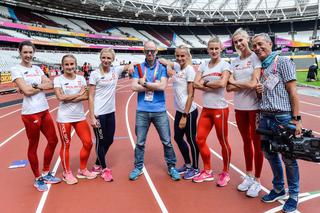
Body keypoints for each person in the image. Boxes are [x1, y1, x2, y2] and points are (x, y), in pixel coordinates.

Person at [253, 33, 302, 213]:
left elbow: (293, 92)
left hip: (283, 117)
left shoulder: (283, 62)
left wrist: (296, 120)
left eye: (260, 44)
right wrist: (259, 92)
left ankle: (294, 195)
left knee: (288, 158)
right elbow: (266, 95)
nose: (257, 48)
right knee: (269, 154)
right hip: (265, 117)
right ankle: (279, 188)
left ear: (269, 43)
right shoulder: (261, 68)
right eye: (254, 46)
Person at [11, 41, 61, 192]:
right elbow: (25, 91)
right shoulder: (16, 69)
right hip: (30, 112)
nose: (28, 55)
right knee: (34, 145)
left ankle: (46, 172)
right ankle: (38, 178)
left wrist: (34, 86)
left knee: (53, 140)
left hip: (44, 110)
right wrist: (38, 86)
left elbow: (51, 85)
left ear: (34, 53)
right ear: (20, 52)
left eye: (30, 52)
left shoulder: (38, 68)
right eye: (25, 52)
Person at [128, 41, 180, 181]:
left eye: (152, 51)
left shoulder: (162, 67)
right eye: (147, 51)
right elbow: (133, 87)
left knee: (167, 141)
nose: (150, 53)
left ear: (156, 52)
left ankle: (171, 166)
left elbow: (162, 86)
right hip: (142, 110)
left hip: (159, 110)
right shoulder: (138, 68)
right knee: (140, 142)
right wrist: (153, 86)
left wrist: (144, 83)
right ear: (144, 52)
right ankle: (138, 167)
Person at [227, 28, 264, 197]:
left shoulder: (255, 58)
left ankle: (257, 180)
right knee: (245, 142)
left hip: (254, 108)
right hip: (239, 108)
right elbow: (228, 87)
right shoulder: (234, 62)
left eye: (241, 40)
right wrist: (243, 83)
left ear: (247, 39)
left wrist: (236, 82)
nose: (239, 44)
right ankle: (248, 175)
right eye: (236, 42)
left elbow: (253, 83)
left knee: (257, 144)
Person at [89, 48, 133, 182]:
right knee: (100, 141)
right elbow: (90, 96)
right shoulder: (95, 74)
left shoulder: (116, 71)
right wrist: (92, 116)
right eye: (104, 58)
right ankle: (104, 169)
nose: (106, 60)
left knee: (109, 140)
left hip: (110, 112)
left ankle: (97, 164)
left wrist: (130, 68)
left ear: (113, 59)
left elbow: (130, 65)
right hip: (98, 113)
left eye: (109, 58)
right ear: (100, 58)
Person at [193, 36, 232, 186]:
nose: (214, 51)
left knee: (223, 142)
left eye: (217, 48)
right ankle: (207, 171)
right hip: (206, 109)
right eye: (211, 48)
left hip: (220, 109)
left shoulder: (225, 65)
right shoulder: (203, 65)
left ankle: (226, 172)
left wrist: (205, 82)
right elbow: (196, 84)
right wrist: (209, 84)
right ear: (207, 50)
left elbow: (222, 83)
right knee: (200, 139)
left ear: (221, 49)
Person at [54, 55, 97, 185]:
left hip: (79, 116)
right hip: (64, 118)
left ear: (76, 65)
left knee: (88, 143)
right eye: (66, 64)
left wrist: (69, 97)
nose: (69, 67)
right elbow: (60, 97)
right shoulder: (58, 79)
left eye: (72, 64)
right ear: (62, 66)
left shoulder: (81, 78)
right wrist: (78, 94)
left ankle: (82, 169)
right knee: (66, 145)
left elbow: (86, 96)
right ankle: (67, 173)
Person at [159, 45, 199, 180]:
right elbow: (163, 60)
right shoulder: (177, 66)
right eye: (178, 55)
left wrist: (185, 116)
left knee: (191, 139)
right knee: (177, 137)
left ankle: (195, 168)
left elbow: (191, 94)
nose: (180, 58)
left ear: (188, 56)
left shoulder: (190, 70)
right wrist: (170, 66)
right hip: (179, 110)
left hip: (189, 111)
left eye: (183, 56)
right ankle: (187, 164)